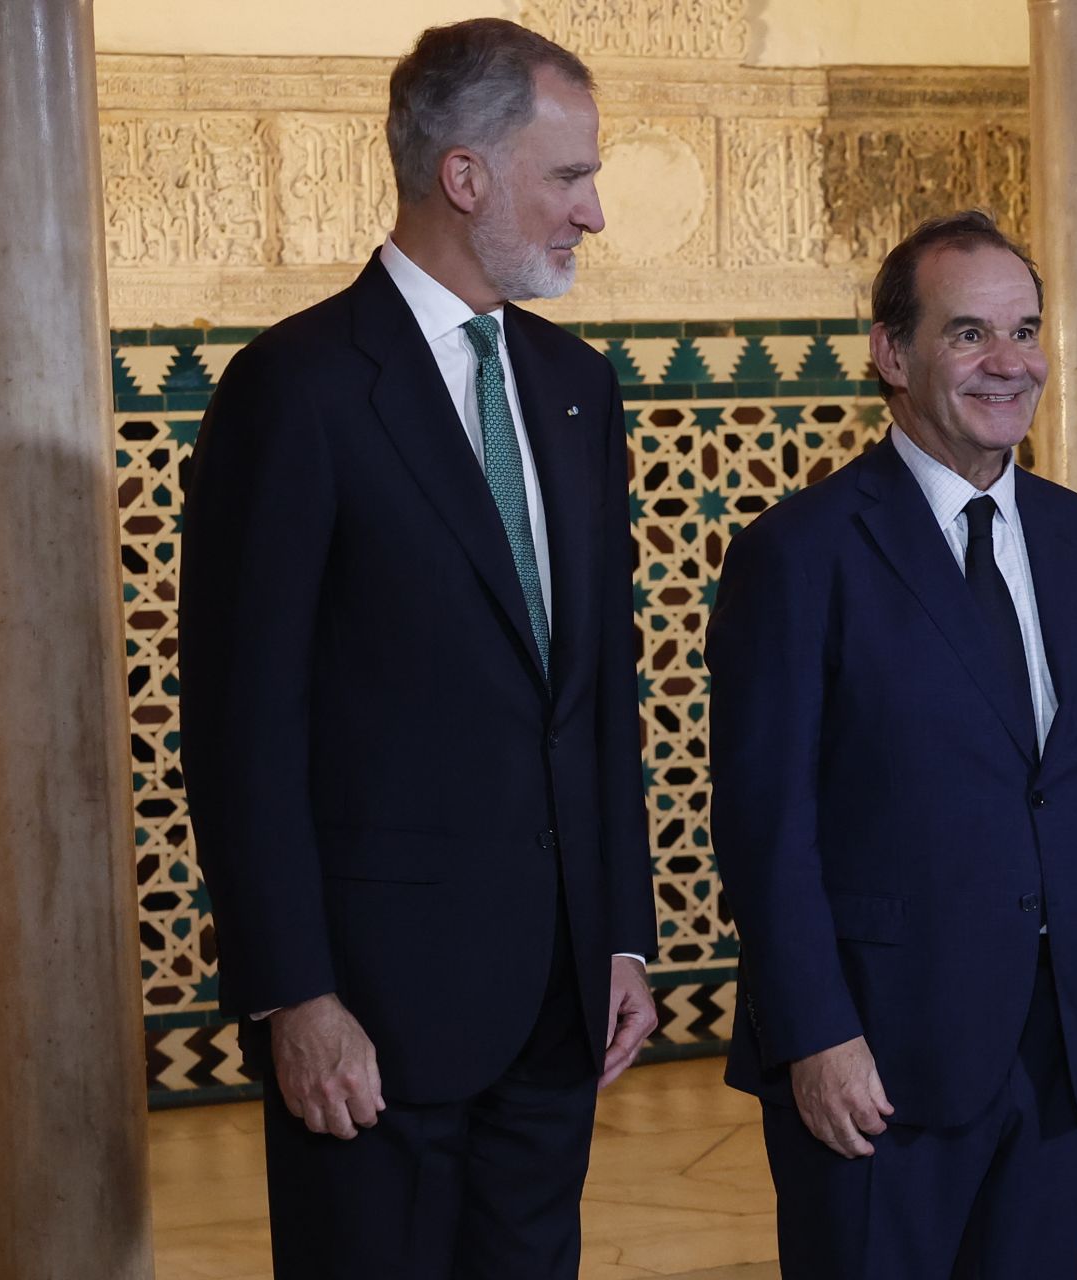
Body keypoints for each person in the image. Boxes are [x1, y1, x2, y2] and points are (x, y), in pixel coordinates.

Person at [178, 19, 657, 1278]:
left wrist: (621, 933)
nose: (592, 213)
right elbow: (241, 729)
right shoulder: (297, 388)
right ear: (465, 175)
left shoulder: (577, 385)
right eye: (568, 177)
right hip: (373, 1020)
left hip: (558, 1006)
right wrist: (295, 994)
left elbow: (600, 692)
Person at [706, 209, 1077, 1278]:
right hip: (878, 1056)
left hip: (1063, 1053)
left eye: (1026, 330)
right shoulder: (800, 552)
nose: (1008, 363)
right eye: (969, 333)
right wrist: (814, 1033)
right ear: (891, 352)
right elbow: (764, 825)